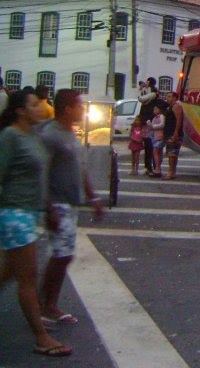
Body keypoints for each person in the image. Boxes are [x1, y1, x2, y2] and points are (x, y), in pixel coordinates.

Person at [0, 90, 72, 357]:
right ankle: (41, 338)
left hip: (29, 213)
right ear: (20, 110)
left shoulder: (33, 134)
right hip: (13, 214)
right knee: (28, 279)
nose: (39, 107)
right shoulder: (10, 136)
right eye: (33, 104)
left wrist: (47, 207)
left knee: (8, 273)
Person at [39, 89, 104, 331]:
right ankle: (45, 305)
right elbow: (42, 172)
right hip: (57, 203)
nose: (82, 110)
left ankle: (47, 303)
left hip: (71, 203)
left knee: (63, 255)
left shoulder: (70, 135)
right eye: (79, 105)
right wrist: (48, 208)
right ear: (66, 108)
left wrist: (93, 197)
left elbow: (82, 168)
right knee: (60, 256)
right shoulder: (50, 135)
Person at [138, 77, 158, 175]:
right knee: (147, 145)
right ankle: (148, 166)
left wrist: (141, 90)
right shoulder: (146, 91)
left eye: (147, 81)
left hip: (150, 121)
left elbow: (142, 99)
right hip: (146, 120)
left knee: (151, 146)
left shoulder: (153, 92)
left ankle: (153, 167)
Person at [162, 92, 183, 180]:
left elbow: (179, 120)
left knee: (172, 153)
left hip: (173, 133)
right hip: (169, 132)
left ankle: (171, 171)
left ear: (175, 98)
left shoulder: (176, 106)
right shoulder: (169, 107)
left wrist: (176, 132)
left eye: (170, 96)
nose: (168, 98)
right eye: (167, 96)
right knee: (172, 153)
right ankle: (172, 171)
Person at [149, 104, 165, 177]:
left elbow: (162, 125)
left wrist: (153, 126)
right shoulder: (154, 118)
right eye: (154, 109)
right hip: (154, 136)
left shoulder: (161, 117)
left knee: (156, 151)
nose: (155, 111)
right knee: (157, 152)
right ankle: (157, 167)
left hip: (160, 136)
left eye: (156, 109)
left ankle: (158, 167)